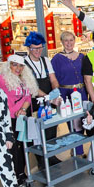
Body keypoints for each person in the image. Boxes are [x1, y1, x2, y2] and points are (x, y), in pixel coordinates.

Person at [0, 55, 38, 186]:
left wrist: (23, 109)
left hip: (22, 119)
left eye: (21, 65)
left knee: (24, 146)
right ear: (9, 66)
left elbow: (28, 98)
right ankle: (14, 177)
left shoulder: (25, 79)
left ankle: (21, 173)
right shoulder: (2, 79)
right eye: (14, 65)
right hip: (9, 120)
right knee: (13, 149)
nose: (18, 68)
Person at [23, 31, 62, 162]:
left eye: (40, 48)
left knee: (51, 126)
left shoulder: (45, 61)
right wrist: (48, 97)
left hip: (49, 99)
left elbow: (53, 79)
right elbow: (31, 87)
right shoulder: (24, 64)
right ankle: (40, 159)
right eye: (34, 48)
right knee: (36, 130)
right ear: (28, 48)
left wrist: (56, 91)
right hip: (34, 102)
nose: (38, 51)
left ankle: (51, 155)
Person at [51, 30, 87, 155]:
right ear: (62, 42)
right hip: (66, 93)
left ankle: (78, 148)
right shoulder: (57, 59)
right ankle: (77, 151)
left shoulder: (81, 57)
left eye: (71, 40)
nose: (69, 43)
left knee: (82, 121)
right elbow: (53, 78)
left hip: (81, 92)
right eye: (66, 40)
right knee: (72, 122)